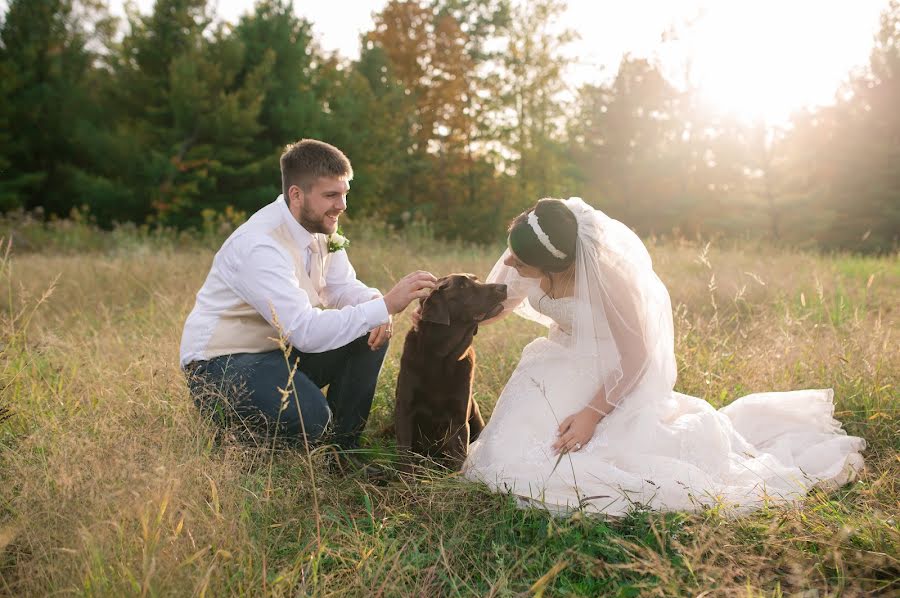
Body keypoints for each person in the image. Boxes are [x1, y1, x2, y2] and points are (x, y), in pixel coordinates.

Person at [457, 197, 865, 515]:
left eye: (520, 261)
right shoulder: (524, 252)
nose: (508, 262)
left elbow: (637, 357)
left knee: (575, 466)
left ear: (555, 265)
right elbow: (496, 305)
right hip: (553, 362)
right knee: (507, 456)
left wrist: (591, 415)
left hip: (611, 374)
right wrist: (443, 308)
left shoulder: (608, 280)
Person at [180, 139, 435, 448]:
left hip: (277, 352)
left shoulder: (321, 227)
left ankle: (341, 453)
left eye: (344, 194)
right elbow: (305, 331)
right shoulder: (260, 244)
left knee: (371, 325)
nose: (342, 206)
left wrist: (374, 303)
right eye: (331, 195)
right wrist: (386, 304)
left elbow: (340, 287)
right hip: (222, 364)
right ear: (296, 195)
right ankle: (240, 442)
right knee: (312, 419)